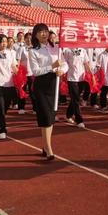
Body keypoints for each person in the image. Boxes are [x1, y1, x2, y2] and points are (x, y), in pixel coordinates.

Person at [29, 23, 67, 160]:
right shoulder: (33, 51)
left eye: (45, 31)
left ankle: (45, 146)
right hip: (41, 85)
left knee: (50, 117)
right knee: (45, 116)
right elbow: (36, 71)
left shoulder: (56, 48)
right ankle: (49, 149)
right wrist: (52, 66)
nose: (43, 34)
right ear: (35, 35)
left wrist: (62, 70)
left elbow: (64, 63)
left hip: (54, 84)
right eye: (40, 32)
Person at [62, 47, 89, 126]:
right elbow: (64, 64)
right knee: (76, 99)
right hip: (72, 78)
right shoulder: (67, 50)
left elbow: (86, 63)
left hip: (81, 78)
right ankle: (79, 120)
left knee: (75, 98)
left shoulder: (83, 50)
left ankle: (68, 115)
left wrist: (91, 75)